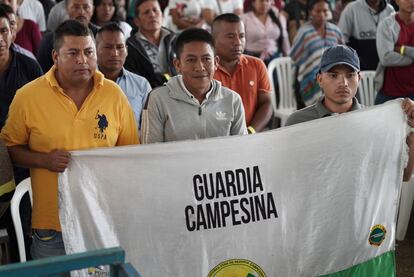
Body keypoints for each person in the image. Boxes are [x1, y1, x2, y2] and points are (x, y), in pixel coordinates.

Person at [1, 19, 139, 259]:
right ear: (55, 56)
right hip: (52, 225)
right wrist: (43, 160)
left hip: (103, 218)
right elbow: (9, 149)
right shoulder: (28, 96)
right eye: (73, 53)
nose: (83, 60)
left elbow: (130, 155)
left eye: (89, 52)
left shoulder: (114, 95)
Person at [285, 44, 414, 181]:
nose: (343, 83)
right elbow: (286, 176)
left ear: (359, 78)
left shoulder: (373, 122)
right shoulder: (297, 122)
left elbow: (403, 176)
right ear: (320, 79)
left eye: (350, 75)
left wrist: (412, 141)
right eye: (333, 75)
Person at [141, 27, 247, 143]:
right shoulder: (158, 99)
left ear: (216, 62)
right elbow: (151, 152)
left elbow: (241, 149)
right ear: (177, 65)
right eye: (191, 60)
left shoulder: (232, 100)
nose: (200, 67)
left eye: (206, 59)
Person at [212, 13, 272, 134]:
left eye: (242, 36)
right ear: (213, 40)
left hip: (251, 135)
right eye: (230, 36)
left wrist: (250, 131)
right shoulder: (206, 70)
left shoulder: (257, 65)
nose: (238, 42)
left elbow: (267, 103)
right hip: (216, 138)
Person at [96, 22, 151, 129]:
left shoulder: (141, 85)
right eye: (108, 47)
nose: (115, 53)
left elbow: (148, 128)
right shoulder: (84, 83)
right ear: (95, 50)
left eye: (120, 47)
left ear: (126, 51)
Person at [290, 0, 343, 107]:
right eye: (318, 11)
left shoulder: (335, 31)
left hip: (332, 79)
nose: (322, 14)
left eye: (325, 11)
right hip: (308, 79)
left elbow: (342, 55)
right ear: (310, 12)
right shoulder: (304, 32)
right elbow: (295, 57)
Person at [124, 0, 176, 88]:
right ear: (137, 21)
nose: (152, 15)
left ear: (162, 15)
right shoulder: (130, 47)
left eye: (155, 10)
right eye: (146, 12)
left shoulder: (175, 40)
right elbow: (135, 81)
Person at [37, 0, 99, 72]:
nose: (81, 12)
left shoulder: (101, 36)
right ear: (67, 9)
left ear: (93, 9)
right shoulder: (49, 41)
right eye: (76, 7)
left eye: (86, 7)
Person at [375, 0, 414, 104]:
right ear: (396, 1)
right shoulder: (387, 24)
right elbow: (386, 58)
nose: (411, 1)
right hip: (390, 91)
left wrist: (402, 49)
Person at [338, 0, 394, 70]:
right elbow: (341, 39)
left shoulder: (390, 10)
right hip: (360, 69)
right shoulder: (351, 9)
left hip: (385, 68)